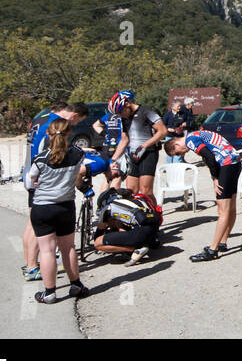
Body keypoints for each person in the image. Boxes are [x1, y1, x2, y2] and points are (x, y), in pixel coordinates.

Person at [24, 119, 89, 303]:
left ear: (48, 134)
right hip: (65, 206)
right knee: (68, 247)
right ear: (69, 134)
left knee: (47, 251)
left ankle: (50, 292)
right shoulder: (77, 154)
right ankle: (76, 285)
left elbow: (29, 183)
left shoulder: (41, 158)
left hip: (43, 207)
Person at [164, 129, 241, 262]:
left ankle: (213, 250)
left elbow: (209, 157)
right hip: (235, 161)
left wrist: (215, 179)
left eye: (178, 153)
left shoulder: (190, 140)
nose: (182, 154)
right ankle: (222, 242)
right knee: (231, 207)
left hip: (225, 164)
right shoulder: (196, 134)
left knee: (223, 210)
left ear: (176, 144)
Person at [109, 91, 167, 198]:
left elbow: (163, 131)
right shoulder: (124, 118)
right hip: (133, 154)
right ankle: (138, 214)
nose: (120, 115)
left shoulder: (146, 112)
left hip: (148, 153)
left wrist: (144, 145)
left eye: (120, 111)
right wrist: (113, 159)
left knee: (146, 192)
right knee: (131, 191)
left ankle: (155, 214)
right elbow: (124, 140)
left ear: (127, 103)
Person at [91, 186, 162, 264]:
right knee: (122, 225)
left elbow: (97, 235)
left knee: (98, 243)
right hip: (154, 230)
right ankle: (146, 243)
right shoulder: (137, 200)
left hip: (140, 233)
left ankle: (134, 249)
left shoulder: (109, 208)